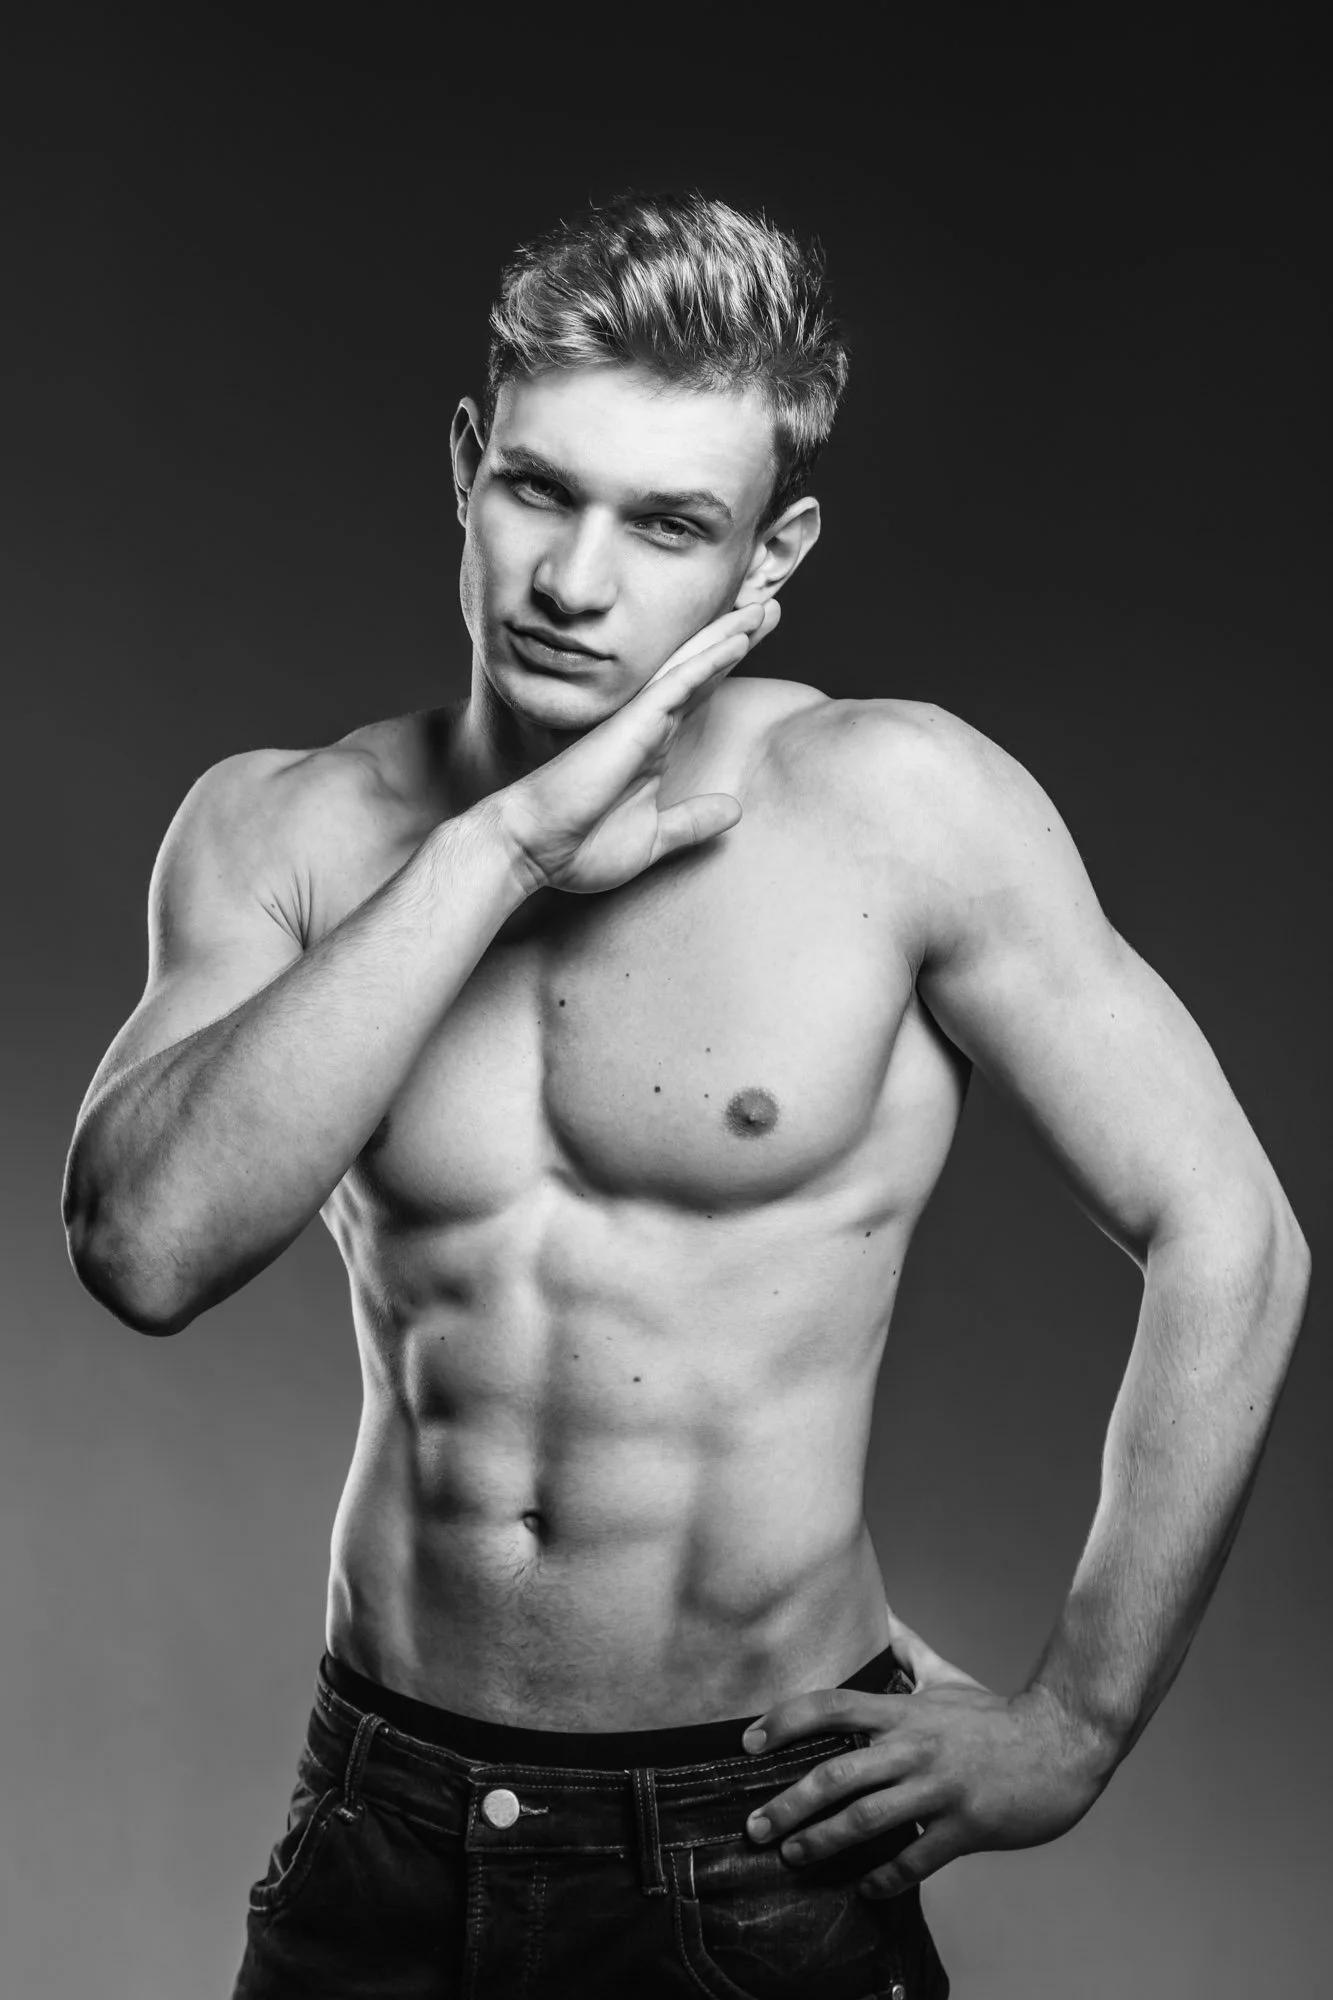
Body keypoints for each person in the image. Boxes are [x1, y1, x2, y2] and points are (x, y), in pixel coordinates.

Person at [63, 192, 1309, 1999]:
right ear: (466, 461)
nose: (575, 582)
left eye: (668, 526)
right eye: (539, 491)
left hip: (756, 1841)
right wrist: (499, 849)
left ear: (770, 548)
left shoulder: (897, 808)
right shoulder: (287, 831)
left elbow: (1234, 1239)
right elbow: (144, 1250)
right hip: (386, 1825)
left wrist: (1081, 1719)